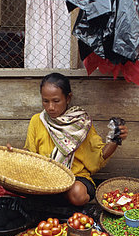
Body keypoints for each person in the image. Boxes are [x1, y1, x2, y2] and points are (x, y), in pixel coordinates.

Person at [21, 73, 128, 206]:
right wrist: (13, 155)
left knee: (77, 194)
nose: (50, 107)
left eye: (56, 101)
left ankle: (53, 200)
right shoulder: (37, 121)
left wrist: (115, 140)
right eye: (45, 101)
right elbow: (30, 155)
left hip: (75, 177)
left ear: (68, 98)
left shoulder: (80, 123)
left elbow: (99, 155)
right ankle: (53, 200)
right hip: (45, 177)